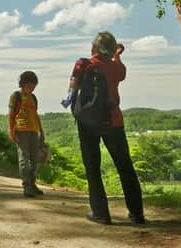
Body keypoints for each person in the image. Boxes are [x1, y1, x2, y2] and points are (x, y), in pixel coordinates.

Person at [65, 31, 144, 225]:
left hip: (88, 121)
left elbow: (72, 86)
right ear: (111, 49)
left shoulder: (84, 64)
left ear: (93, 47)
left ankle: (100, 213)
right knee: (125, 167)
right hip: (113, 121)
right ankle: (137, 214)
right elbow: (121, 72)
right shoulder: (117, 68)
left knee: (92, 167)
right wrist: (117, 55)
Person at [8, 70, 45, 198]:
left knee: (34, 160)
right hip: (21, 130)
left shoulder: (33, 98)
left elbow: (36, 115)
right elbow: (11, 115)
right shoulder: (16, 96)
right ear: (23, 84)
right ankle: (27, 186)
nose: (32, 88)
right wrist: (11, 130)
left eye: (34, 85)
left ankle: (33, 184)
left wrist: (42, 131)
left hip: (34, 131)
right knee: (24, 159)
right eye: (30, 85)